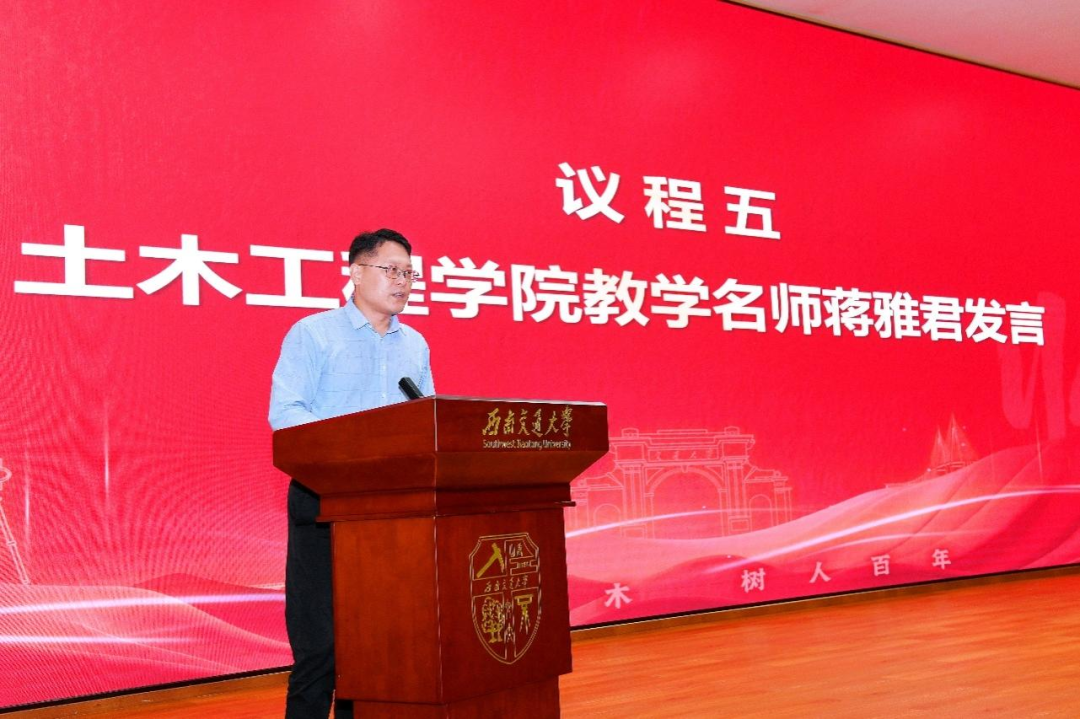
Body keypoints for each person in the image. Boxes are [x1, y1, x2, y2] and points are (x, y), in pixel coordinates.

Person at [268, 228, 434, 719]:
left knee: (374, 646)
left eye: (409, 273)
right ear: (357, 272)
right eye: (391, 270)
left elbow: (426, 421)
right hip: (325, 501)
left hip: (392, 513)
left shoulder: (415, 345)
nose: (402, 282)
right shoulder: (314, 334)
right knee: (320, 648)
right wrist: (353, 449)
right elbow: (287, 414)